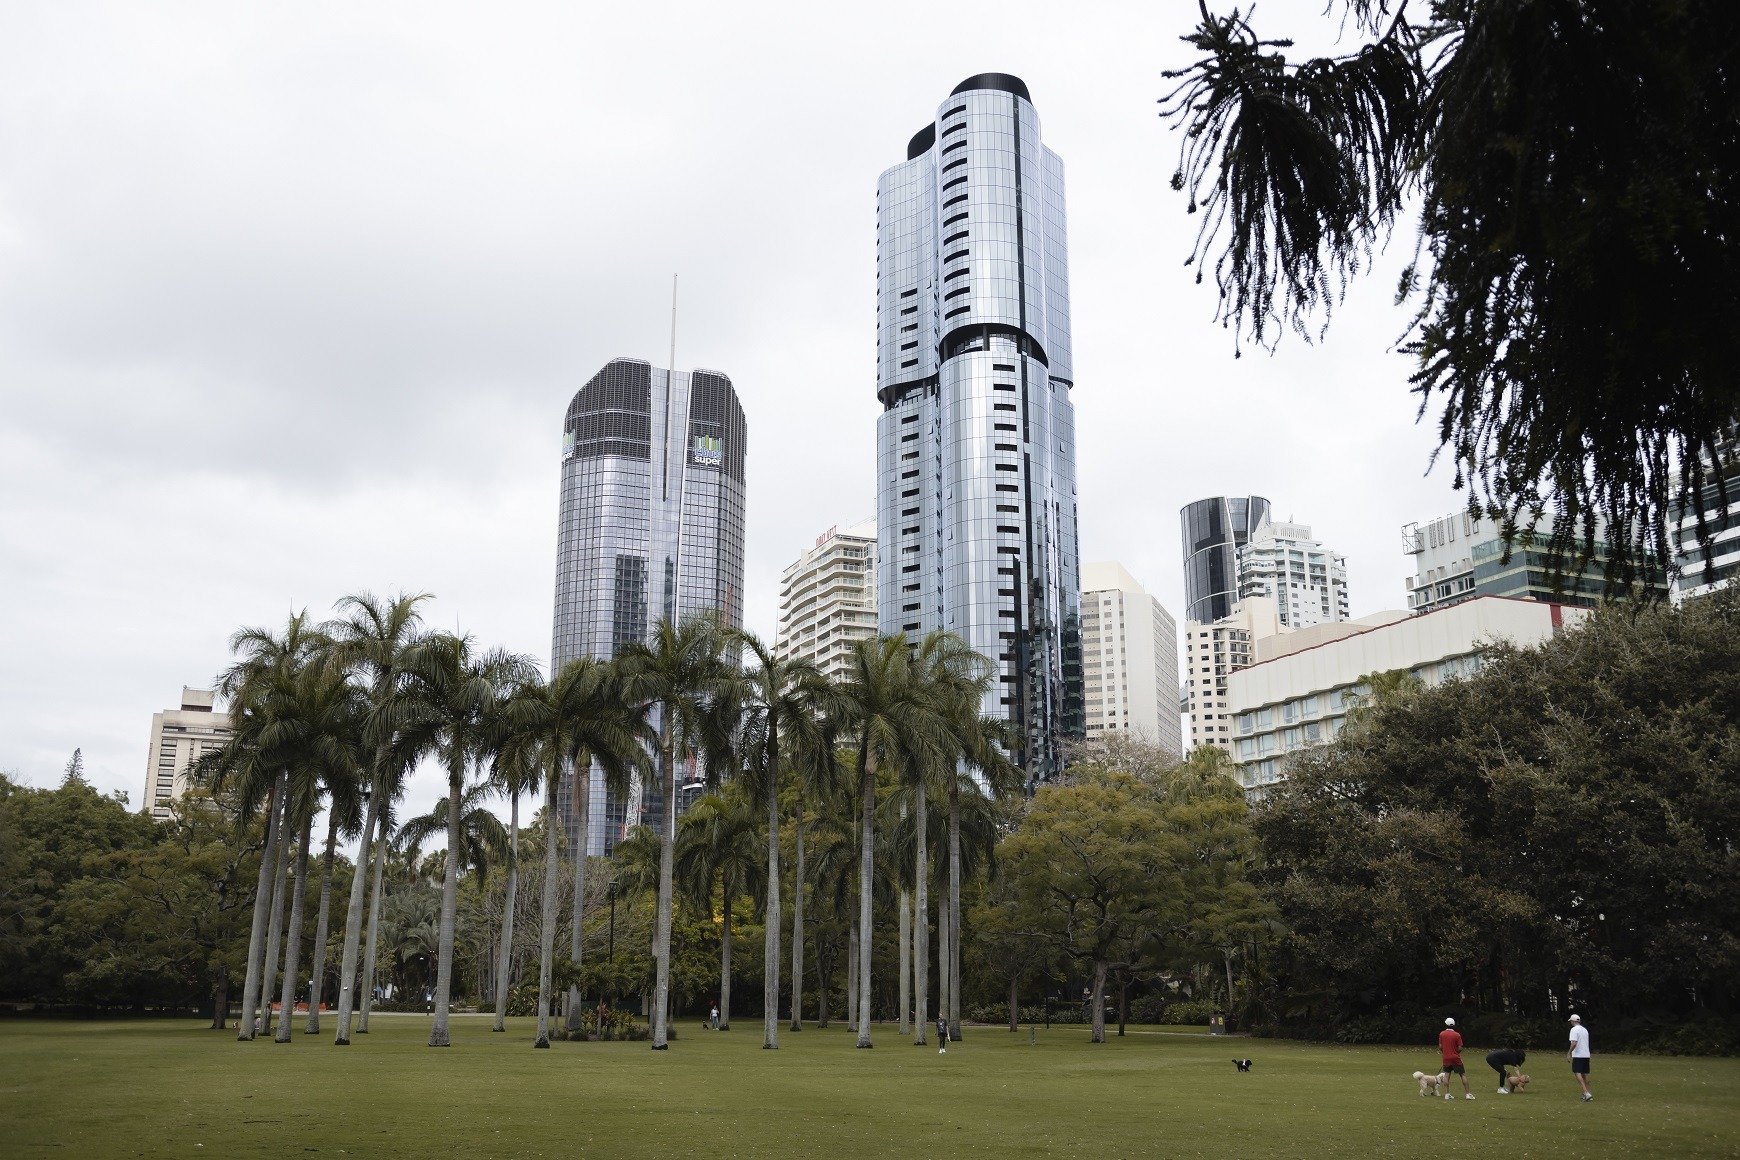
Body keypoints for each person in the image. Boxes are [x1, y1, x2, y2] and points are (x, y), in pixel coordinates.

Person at [1439, 1018, 1474, 1099]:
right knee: (1462, 1074)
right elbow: (1460, 1047)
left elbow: (1440, 1047)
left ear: (1446, 1024)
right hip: (1455, 1058)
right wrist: (1456, 1052)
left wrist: (1445, 1053)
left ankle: (1447, 1094)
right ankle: (1468, 1094)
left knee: (1447, 1075)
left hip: (1446, 1058)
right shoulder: (1457, 1035)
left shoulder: (1442, 1034)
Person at [1567, 1014, 1593, 1101]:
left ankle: (1586, 1093)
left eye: (1571, 1021)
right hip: (1586, 1054)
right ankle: (1589, 1093)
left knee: (1577, 1072)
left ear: (1573, 1021)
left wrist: (1569, 1053)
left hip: (1578, 1055)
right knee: (1585, 1074)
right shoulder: (1584, 1030)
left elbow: (1574, 1043)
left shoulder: (1574, 1030)